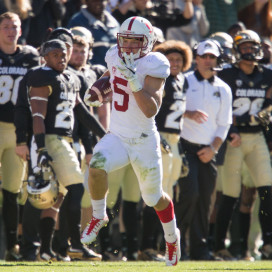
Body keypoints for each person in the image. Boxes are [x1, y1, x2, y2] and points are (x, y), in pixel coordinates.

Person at [81, 16, 181, 266]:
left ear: (146, 43)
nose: (127, 46)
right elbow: (111, 73)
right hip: (117, 135)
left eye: (134, 41)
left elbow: (151, 109)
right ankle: (98, 214)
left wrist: (133, 80)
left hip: (143, 140)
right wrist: (100, 88)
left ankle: (171, 238)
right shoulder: (115, 54)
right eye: (124, 40)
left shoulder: (154, 63)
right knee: (96, 167)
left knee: (153, 198)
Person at [214, 29, 272, 260]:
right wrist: (233, 128)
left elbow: (269, 109)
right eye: (244, 47)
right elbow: (221, 110)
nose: (248, 51)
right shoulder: (227, 74)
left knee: (267, 189)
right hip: (234, 139)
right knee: (230, 194)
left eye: (252, 46)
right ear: (237, 51)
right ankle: (219, 245)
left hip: (257, 137)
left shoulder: (267, 74)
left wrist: (257, 116)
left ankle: (267, 244)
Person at [174, 39, 233, 260]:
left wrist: (213, 148)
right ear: (196, 59)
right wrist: (188, 114)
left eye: (212, 57)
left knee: (206, 199)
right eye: (204, 56)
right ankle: (175, 244)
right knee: (190, 194)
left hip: (209, 151)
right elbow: (171, 111)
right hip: (184, 147)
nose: (208, 61)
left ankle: (199, 250)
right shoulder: (184, 81)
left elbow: (224, 123)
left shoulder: (224, 88)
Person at [137, 39, 192, 261]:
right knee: (157, 194)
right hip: (160, 138)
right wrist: (157, 137)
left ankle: (162, 246)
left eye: (179, 59)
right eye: (171, 59)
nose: (175, 63)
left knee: (169, 195)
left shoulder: (181, 81)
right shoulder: (161, 80)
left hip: (175, 141)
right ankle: (147, 246)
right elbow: (153, 112)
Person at [0, 11, 40, 261]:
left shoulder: (29, 56)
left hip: (17, 132)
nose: (10, 30)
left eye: (14, 26)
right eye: (5, 26)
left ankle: (11, 246)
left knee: (13, 191)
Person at [67, 0, 120, 67]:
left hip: (114, 74)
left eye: (101, 0)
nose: (98, 4)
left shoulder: (114, 23)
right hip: (92, 75)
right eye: (94, 1)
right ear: (85, 1)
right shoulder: (77, 22)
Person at [111, 0, 193, 36]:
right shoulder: (131, 16)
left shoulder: (157, 15)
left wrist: (188, 1)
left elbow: (185, 19)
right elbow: (116, 16)